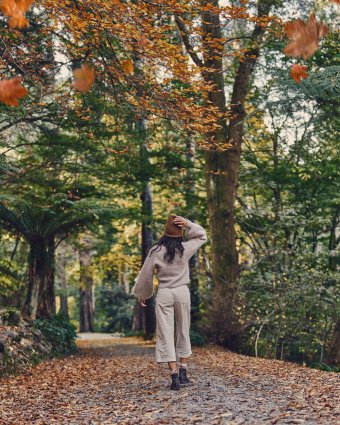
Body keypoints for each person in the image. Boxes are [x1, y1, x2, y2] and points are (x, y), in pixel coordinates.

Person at [132, 214, 207, 390]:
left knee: (165, 333)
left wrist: (143, 294)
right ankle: (183, 372)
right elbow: (202, 234)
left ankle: (173, 377)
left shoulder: (156, 250)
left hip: (164, 293)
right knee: (183, 330)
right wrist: (188, 223)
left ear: (164, 233)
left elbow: (145, 274)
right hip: (182, 292)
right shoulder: (185, 248)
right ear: (180, 232)